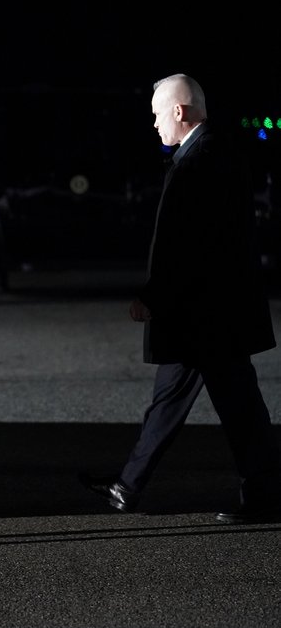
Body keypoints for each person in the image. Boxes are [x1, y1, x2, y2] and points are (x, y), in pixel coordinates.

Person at [79, 73, 281, 523]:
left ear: (178, 111)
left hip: (206, 316)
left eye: (156, 115)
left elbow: (188, 243)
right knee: (188, 400)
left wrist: (153, 295)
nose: (153, 125)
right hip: (208, 313)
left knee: (236, 408)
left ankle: (261, 495)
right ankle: (127, 487)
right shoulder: (212, 153)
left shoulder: (201, 160)